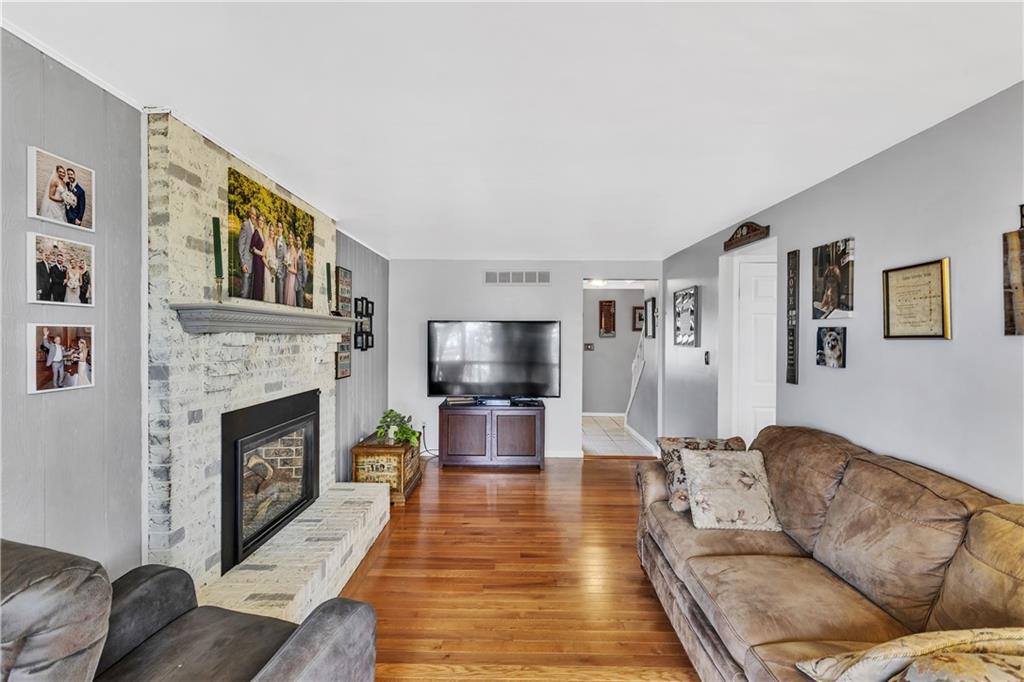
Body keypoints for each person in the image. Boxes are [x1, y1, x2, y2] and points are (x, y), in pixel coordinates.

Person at [238, 207, 256, 298]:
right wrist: (243, 263)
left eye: (255, 215)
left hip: (253, 264)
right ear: (249, 214)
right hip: (246, 264)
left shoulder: (255, 228)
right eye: (252, 214)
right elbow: (241, 245)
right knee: (244, 292)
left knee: (249, 293)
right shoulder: (245, 225)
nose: (254, 217)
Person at [249, 215, 267, 301]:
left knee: (260, 283)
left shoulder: (262, 233)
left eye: (262, 221)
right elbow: (251, 248)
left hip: (261, 261)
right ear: (257, 221)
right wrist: (261, 253)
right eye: (260, 220)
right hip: (257, 261)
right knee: (258, 282)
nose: (261, 222)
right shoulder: (256, 232)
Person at [262, 223, 278, 304]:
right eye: (270, 230)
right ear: (268, 231)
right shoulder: (267, 242)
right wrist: (269, 267)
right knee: (267, 289)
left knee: (272, 290)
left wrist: (274, 267)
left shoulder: (274, 244)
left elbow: (274, 258)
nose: (272, 232)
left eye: (273, 231)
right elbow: (263, 257)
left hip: (273, 272)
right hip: (267, 269)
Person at [274, 221, 287, 304]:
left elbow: (285, 259)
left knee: (280, 293)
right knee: (274, 294)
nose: (279, 229)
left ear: (282, 229)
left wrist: (282, 272)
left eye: (280, 227)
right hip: (273, 269)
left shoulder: (284, 242)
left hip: (281, 271)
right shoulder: (274, 239)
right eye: (278, 227)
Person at [284, 235, 298, 306]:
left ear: (293, 239)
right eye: (289, 238)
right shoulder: (288, 248)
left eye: (291, 238)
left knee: (290, 294)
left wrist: (289, 269)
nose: (290, 240)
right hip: (287, 275)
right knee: (286, 293)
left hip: (292, 276)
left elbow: (296, 270)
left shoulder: (294, 251)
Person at [295, 242, 307, 307]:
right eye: (297, 240)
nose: (298, 242)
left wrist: (303, 285)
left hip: (300, 283)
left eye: (299, 240)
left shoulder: (302, 254)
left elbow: (305, 272)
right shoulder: (295, 252)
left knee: (300, 304)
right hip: (294, 282)